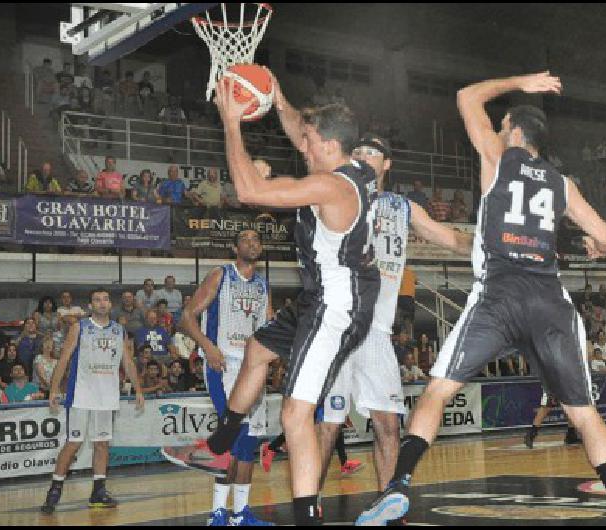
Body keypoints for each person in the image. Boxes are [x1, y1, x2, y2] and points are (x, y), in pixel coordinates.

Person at [357, 71, 606, 526]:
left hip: (500, 295)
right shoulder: (563, 184)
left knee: (438, 392)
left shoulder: (496, 157)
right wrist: (596, 247)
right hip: (549, 301)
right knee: (583, 413)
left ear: (510, 128)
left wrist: (522, 81)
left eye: (503, 125)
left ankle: (400, 486)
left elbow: (467, 96)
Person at [206, 70, 381, 526]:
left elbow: (249, 191)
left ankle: (308, 518)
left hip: (337, 307)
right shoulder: (352, 167)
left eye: (306, 141)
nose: (299, 145)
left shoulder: (333, 186)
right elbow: (296, 125)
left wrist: (231, 123)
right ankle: (218, 446)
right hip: (320, 296)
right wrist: (275, 94)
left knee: (294, 414)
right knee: (257, 350)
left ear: (325, 145)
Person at [313, 132, 473, 505]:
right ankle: (309, 503)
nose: (365, 156)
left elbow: (450, 238)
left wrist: (495, 245)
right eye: (359, 151)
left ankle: (388, 505)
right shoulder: (338, 194)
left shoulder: (403, 207)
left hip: (377, 333)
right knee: (328, 426)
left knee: (388, 424)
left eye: (374, 152)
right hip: (339, 326)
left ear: (387, 165)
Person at [179, 230, 273, 526]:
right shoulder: (221, 275)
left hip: (253, 367)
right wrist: (207, 347)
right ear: (235, 247)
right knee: (229, 436)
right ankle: (217, 512)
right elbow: (186, 317)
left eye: (256, 240)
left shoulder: (262, 284)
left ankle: (241, 513)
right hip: (224, 364)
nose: (252, 243)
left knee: (248, 443)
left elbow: (269, 327)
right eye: (246, 240)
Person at [41, 288, 144, 514]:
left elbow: (127, 361)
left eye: (105, 299)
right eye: (97, 300)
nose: (102, 303)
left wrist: (138, 389)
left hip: (107, 396)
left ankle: (98, 491)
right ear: (90, 305)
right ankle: (55, 490)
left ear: (110, 304)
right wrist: (54, 389)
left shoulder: (119, 330)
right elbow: (65, 358)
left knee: (102, 444)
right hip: (81, 395)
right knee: (73, 443)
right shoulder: (79, 327)